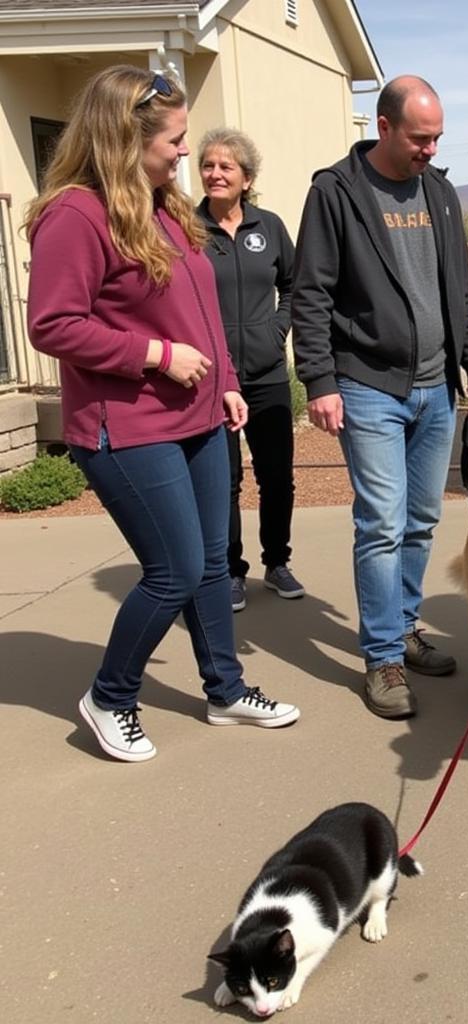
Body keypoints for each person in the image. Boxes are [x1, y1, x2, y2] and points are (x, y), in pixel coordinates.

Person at [26, 66, 300, 763]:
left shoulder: (165, 206)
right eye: (175, 140)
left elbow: (202, 309)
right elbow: (53, 325)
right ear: (127, 137)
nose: (185, 152)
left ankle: (225, 689)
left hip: (201, 415)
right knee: (173, 570)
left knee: (212, 562)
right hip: (128, 426)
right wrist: (152, 353)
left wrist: (228, 379)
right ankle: (110, 696)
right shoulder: (76, 214)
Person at [291, 74, 468, 720]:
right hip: (367, 385)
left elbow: (459, 288)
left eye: (437, 138)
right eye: (419, 138)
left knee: (422, 519)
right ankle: (381, 658)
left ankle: (404, 629)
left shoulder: (437, 192)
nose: (431, 150)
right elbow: (311, 294)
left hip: (436, 387)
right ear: (382, 127)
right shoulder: (336, 193)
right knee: (380, 521)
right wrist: (319, 380)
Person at [196, 128, 303, 613]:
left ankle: (277, 562)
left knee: (276, 476)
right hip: (211, 379)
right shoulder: (186, 228)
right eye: (208, 165)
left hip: (266, 376)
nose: (215, 174)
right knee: (225, 480)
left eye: (226, 167)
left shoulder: (270, 227)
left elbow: (296, 286)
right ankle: (230, 571)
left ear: (247, 178)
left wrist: (276, 330)